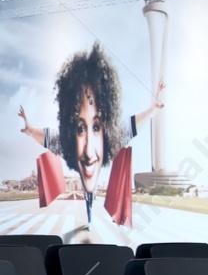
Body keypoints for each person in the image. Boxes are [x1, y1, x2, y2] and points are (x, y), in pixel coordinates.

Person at [18, 42, 164, 230]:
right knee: (88, 195)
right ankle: (89, 214)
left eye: (96, 127)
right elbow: (48, 137)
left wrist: (152, 110)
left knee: (90, 195)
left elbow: (131, 126)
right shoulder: (67, 145)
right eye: (80, 129)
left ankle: (90, 213)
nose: (88, 151)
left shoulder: (112, 138)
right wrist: (30, 130)